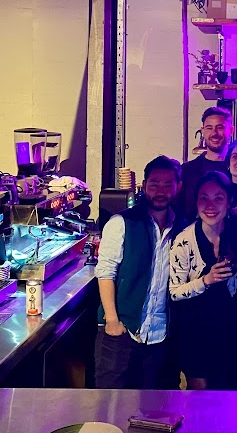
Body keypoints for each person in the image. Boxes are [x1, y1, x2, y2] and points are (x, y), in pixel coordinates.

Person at [95, 155, 185, 389]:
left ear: (178, 187)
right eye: (154, 184)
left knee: (157, 405)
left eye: (168, 184)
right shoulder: (121, 222)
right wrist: (112, 321)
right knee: (111, 401)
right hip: (122, 332)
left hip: (162, 337)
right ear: (144, 186)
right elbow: (105, 272)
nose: (160, 191)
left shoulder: (183, 228)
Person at [168, 171, 237, 390]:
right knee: (201, 396)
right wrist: (206, 280)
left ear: (229, 202)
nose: (210, 205)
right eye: (203, 198)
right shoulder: (184, 241)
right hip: (197, 330)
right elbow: (174, 292)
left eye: (218, 198)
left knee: (235, 393)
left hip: (231, 328)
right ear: (196, 202)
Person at [177, 107, 232, 219]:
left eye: (220, 127)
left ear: (231, 130)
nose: (214, 133)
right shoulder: (187, 170)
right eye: (209, 128)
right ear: (202, 131)